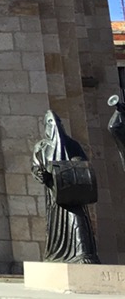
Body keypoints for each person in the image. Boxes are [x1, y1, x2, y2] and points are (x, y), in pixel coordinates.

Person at [31, 110, 99, 264]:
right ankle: (59, 253)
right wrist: (41, 173)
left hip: (73, 192)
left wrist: (74, 164)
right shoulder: (41, 147)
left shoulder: (72, 144)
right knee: (58, 226)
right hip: (55, 195)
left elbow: (82, 164)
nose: (54, 125)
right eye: (50, 122)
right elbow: (36, 166)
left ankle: (83, 254)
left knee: (78, 220)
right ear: (45, 126)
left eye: (57, 122)